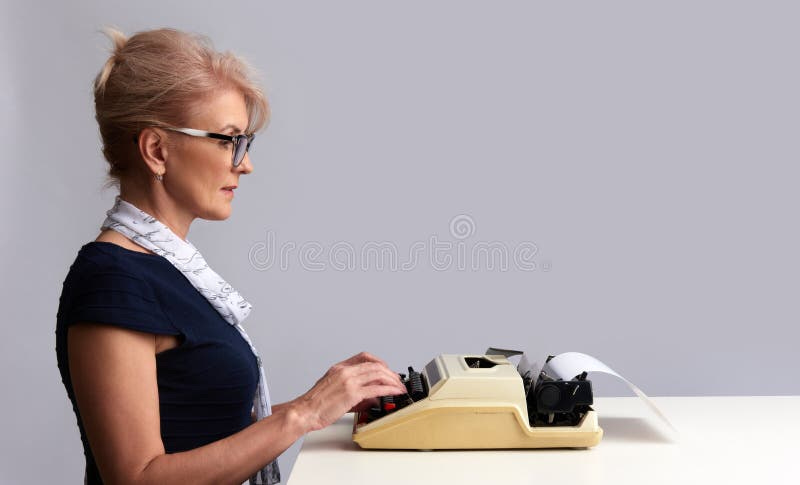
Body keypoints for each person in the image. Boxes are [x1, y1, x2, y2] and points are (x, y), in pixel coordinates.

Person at [55, 27, 406, 485]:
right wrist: (303, 414)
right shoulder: (113, 281)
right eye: (227, 140)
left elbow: (204, 434)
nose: (244, 163)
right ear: (157, 150)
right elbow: (138, 478)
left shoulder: (168, 270)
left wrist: (327, 402)